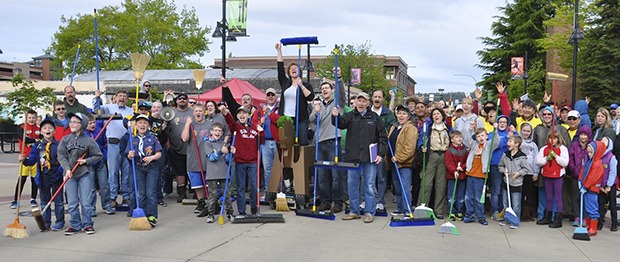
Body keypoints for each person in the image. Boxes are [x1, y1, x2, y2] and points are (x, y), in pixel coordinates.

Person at [333, 92, 387, 223]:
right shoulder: (350, 116)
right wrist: (335, 116)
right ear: (356, 102)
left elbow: (383, 137)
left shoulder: (374, 117)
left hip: (370, 157)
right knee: (352, 185)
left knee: (369, 185)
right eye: (359, 101)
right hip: (353, 157)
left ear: (368, 103)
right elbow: (340, 124)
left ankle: (369, 212)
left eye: (364, 101)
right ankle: (354, 211)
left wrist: (381, 154)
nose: (361, 104)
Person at [58, 112, 103, 235]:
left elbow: (98, 155)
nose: (72, 124)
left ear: (81, 124)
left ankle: (87, 224)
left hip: (85, 174)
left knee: (86, 202)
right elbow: (61, 155)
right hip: (70, 174)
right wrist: (67, 169)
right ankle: (75, 224)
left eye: (75, 122)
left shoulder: (88, 141)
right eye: (71, 121)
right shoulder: (65, 139)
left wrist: (86, 161)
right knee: (72, 202)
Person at [309, 75, 346, 213]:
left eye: (327, 88)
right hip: (320, 143)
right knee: (322, 175)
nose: (324, 90)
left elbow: (342, 93)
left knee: (336, 175)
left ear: (331, 90)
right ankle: (325, 201)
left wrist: (339, 79)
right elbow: (312, 119)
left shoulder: (337, 102)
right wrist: (316, 111)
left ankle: (337, 202)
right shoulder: (318, 105)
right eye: (322, 88)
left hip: (333, 141)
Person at [19, 118, 64, 231]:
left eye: (50, 128)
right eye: (44, 128)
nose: (47, 130)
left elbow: (63, 162)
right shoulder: (37, 146)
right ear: (41, 132)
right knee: (45, 201)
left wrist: (58, 175)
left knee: (58, 201)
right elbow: (32, 161)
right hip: (43, 177)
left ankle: (60, 222)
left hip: (56, 176)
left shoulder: (59, 145)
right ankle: (46, 222)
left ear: (54, 131)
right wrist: (24, 160)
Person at [93, 89, 134, 207]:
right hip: (113, 144)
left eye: (124, 96)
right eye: (119, 96)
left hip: (126, 144)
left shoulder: (130, 110)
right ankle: (112, 197)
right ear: (115, 97)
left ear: (127, 99)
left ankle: (126, 196)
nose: (122, 98)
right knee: (113, 172)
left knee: (126, 171)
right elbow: (97, 111)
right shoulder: (109, 107)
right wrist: (97, 98)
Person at [223, 106, 264, 216]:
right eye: (239, 114)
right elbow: (230, 122)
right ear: (237, 116)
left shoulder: (255, 127)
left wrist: (262, 131)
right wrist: (226, 113)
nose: (242, 115)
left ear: (248, 115)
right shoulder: (236, 127)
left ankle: (254, 207)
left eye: (244, 113)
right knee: (240, 187)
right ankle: (242, 210)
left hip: (253, 162)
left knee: (254, 186)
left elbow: (262, 141)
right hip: (240, 161)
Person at [126, 114, 162, 228]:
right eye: (140, 123)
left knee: (150, 192)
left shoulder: (153, 138)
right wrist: (130, 155)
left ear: (148, 125)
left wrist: (152, 157)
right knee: (141, 193)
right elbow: (128, 154)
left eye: (145, 123)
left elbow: (159, 153)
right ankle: (142, 214)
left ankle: (152, 216)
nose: (142, 125)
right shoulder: (132, 139)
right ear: (136, 125)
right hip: (138, 167)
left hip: (151, 168)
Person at [275, 42, 314, 146]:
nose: (293, 69)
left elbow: (310, 97)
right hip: (287, 118)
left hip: (301, 119)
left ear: (300, 71)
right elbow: (280, 68)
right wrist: (279, 51)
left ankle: (301, 162)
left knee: (302, 142)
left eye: (296, 68)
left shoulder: (306, 85)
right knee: (287, 143)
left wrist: (301, 85)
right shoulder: (285, 83)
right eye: (291, 69)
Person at [419, 108, 452, 219]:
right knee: (426, 183)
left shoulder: (448, 129)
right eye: (434, 114)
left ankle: (438, 210)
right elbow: (421, 140)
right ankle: (422, 207)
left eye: (438, 114)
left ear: (442, 115)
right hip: (431, 155)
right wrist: (421, 147)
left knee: (441, 185)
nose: (436, 116)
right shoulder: (428, 128)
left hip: (444, 156)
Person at [181, 103, 212, 215]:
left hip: (207, 159)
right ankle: (200, 202)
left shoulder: (210, 125)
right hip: (194, 158)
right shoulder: (190, 124)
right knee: (197, 184)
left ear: (205, 112)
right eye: (196, 111)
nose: (198, 113)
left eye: (200, 111)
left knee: (208, 183)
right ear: (193, 113)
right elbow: (184, 139)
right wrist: (187, 124)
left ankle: (211, 202)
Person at [387, 105, 418, 216]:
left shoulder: (411, 128)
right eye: (399, 113)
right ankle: (400, 208)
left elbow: (409, 147)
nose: (401, 115)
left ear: (408, 116)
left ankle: (407, 210)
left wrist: (398, 157)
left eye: (404, 114)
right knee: (397, 188)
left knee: (405, 187)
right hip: (393, 163)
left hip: (404, 163)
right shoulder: (394, 127)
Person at [465, 128, 499, 225]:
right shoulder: (474, 145)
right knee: (468, 197)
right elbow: (467, 140)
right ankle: (469, 214)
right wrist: (471, 130)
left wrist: (495, 132)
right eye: (478, 136)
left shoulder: (488, 145)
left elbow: (496, 142)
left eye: (482, 135)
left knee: (478, 197)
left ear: (487, 136)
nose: (480, 138)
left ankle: (481, 216)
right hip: (470, 173)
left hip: (480, 175)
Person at [369, 90, 396, 212]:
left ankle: (380, 201)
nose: (377, 99)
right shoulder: (367, 111)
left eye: (379, 97)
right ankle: (367, 200)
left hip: (381, 147)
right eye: (375, 96)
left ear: (383, 99)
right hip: (367, 147)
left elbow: (391, 127)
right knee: (367, 176)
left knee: (381, 176)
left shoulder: (388, 113)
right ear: (372, 98)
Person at [535, 131, 569, 228]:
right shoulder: (544, 149)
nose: (552, 140)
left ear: (558, 139)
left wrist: (555, 156)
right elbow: (538, 161)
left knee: (558, 198)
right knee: (549, 197)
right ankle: (547, 217)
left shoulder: (563, 149)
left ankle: (558, 219)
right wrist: (546, 158)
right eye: (550, 138)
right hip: (547, 175)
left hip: (558, 176)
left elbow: (565, 163)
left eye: (554, 138)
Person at [202, 123, 234, 223]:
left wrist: (231, 153)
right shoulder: (207, 143)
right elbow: (211, 157)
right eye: (215, 130)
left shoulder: (223, 144)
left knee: (228, 194)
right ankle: (210, 214)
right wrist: (221, 152)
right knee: (212, 195)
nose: (217, 132)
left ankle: (230, 213)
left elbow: (227, 161)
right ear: (211, 132)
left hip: (224, 173)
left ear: (222, 133)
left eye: (219, 131)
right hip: (212, 174)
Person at [84, 113, 115, 216]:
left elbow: (105, 144)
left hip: (100, 162)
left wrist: (104, 156)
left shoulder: (100, 131)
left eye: (94, 122)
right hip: (89, 162)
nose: (92, 125)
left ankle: (106, 205)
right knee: (91, 187)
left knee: (104, 184)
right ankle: (91, 208)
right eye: (90, 123)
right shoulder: (83, 134)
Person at [165, 93, 194, 203]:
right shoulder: (171, 113)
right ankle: (181, 193)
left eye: (184, 98)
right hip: (175, 148)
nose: (182, 100)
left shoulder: (193, 112)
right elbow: (166, 131)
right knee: (179, 172)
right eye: (180, 98)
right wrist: (168, 146)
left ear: (187, 100)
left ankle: (196, 191)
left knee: (192, 171)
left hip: (191, 149)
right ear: (176, 101)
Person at [10, 110, 40, 209]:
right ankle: (16, 200)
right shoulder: (22, 127)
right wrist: (34, 140)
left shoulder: (38, 129)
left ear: (36, 118)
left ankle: (33, 198)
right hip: (25, 156)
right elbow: (23, 138)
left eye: (33, 118)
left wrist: (37, 140)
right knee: (22, 179)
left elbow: (42, 138)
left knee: (34, 179)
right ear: (27, 118)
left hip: (35, 158)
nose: (31, 120)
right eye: (30, 118)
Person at [498, 135, 529, 229]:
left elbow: (525, 169)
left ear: (516, 144)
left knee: (515, 204)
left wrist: (518, 173)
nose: (508, 143)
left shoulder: (522, 157)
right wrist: (504, 171)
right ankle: (507, 220)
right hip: (506, 182)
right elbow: (500, 166)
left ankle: (515, 221)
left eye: (510, 141)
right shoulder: (505, 155)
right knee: (505, 203)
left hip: (517, 183)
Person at [488, 115, 514, 221]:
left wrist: (512, 135)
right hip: (496, 165)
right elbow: (494, 145)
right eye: (500, 122)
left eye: (504, 122)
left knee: (505, 190)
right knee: (496, 190)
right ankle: (495, 210)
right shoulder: (492, 134)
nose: (502, 124)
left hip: (508, 166)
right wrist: (506, 140)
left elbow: (516, 143)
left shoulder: (512, 134)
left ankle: (503, 209)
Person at [579, 140, 605, 236]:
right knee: (586, 208)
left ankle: (593, 228)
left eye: (591, 152)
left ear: (596, 152)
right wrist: (579, 180)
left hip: (592, 189)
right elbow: (583, 171)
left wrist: (585, 186)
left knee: (592, 208)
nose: (589, 154)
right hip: (585, 187)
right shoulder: (589, 161)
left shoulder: (597, 164)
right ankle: (588, 225)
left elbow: (593, 178)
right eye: (588, 152)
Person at [444, 130, 467, 220]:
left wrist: (462, 167)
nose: (459, 139)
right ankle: (451, 211)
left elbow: (468, 161)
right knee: (451, 195)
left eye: (460, 137)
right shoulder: (449, 150)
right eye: (457, 137)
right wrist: (454, 170)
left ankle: (460, 211)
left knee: (460, 195)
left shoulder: (465, 150)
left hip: (462, 176)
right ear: (452, 140)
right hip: (452, 176)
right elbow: (448, 162)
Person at [261, 88, 280, 194]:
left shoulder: (279, 109)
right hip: (265, 143)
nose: (271, 96)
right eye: (268, 94)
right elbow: (255, 124)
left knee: (278, 169)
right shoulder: (260, 110)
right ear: (266, 97)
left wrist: (268, 113)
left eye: (273, 94)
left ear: (276, 97)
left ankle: (278, 191)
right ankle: (269, 191)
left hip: (277, 142)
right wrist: (260, 122)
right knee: (267, 169)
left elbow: (279, 121)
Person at [149, 101, 168, 207]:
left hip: (159, 149)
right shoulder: (147, 119)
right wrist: (152, 118)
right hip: (148, 149)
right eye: (154, 107)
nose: (156, 109)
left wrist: (163, 130)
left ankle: (159, 197)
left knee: (159, 173)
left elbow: (164, 140)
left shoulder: (164, 121)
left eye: (158, 107)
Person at [519, 123, 539, 222]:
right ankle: (519, 212)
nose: (526, 133)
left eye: (528, 131)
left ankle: (526, 214)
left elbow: (536, 159)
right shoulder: (518, 142)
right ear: (521, 131)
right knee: (520, 193)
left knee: (529, 194)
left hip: (530, 172)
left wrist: (536, 172)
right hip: (519, 173)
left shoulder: (533, 145)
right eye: (524, 130)